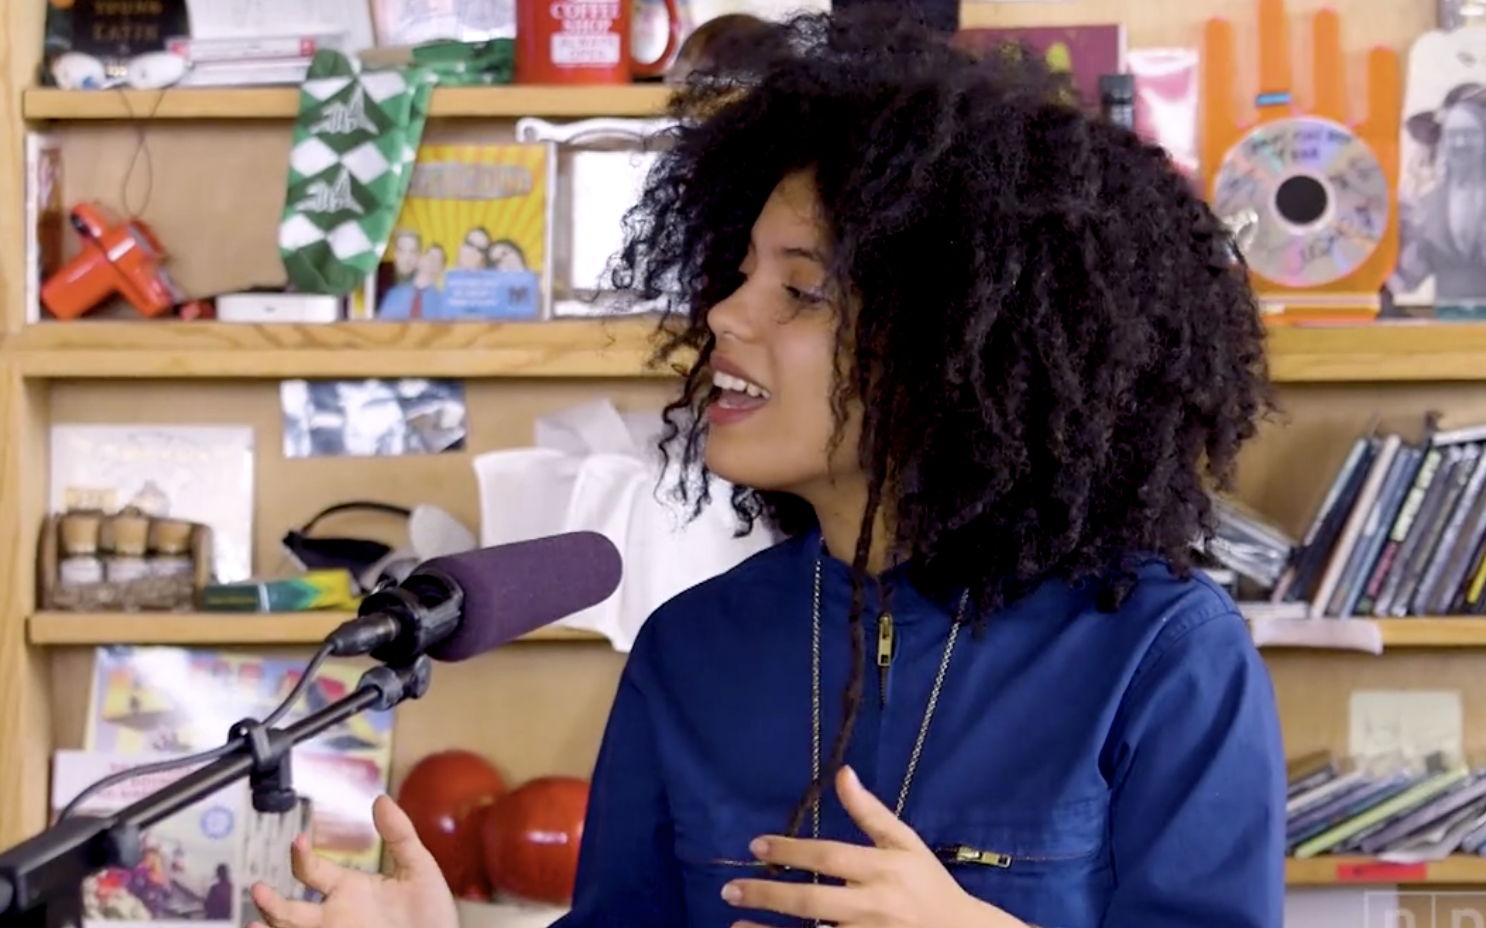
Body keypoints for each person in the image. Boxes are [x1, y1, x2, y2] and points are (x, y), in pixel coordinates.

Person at [248, 10, 1283, 928]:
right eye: (737, 273)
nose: (724, 316)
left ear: (960, 340)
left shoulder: (1159, 655)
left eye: (801, 292)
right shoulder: (690, 649)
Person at [1391, 83, 1486, 306]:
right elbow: (1406, 281)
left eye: (1470, 134)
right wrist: (1402, 226)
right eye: (1453, 135)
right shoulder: (1425, 204)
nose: (1460, 143)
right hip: (1446, 329)